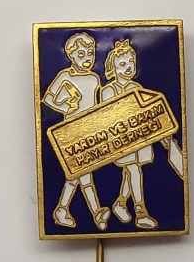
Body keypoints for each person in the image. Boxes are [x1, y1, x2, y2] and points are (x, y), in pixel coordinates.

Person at [42, 32, 110, 230]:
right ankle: (95, 213)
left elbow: (97, 105)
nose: (87, 58)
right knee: (82, 173)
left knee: (79, 175)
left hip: (90, 131)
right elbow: (48, 98)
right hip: (71, 131)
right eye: (81, 54)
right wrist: (65, 107)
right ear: (71, 56)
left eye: (90, 53)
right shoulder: (65, 76)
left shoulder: (94, 78)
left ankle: (63, 210)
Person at [100, 39, 162, 229]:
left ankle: (120, 203)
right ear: (113, 68)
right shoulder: (107, 90)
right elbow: (107, 116)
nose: (128, 67)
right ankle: (140, 212)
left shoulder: (136, 88)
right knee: (134, 169)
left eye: (131, 62)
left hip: (138, 138)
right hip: (121, 140)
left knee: (131, 171)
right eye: (122, 64)